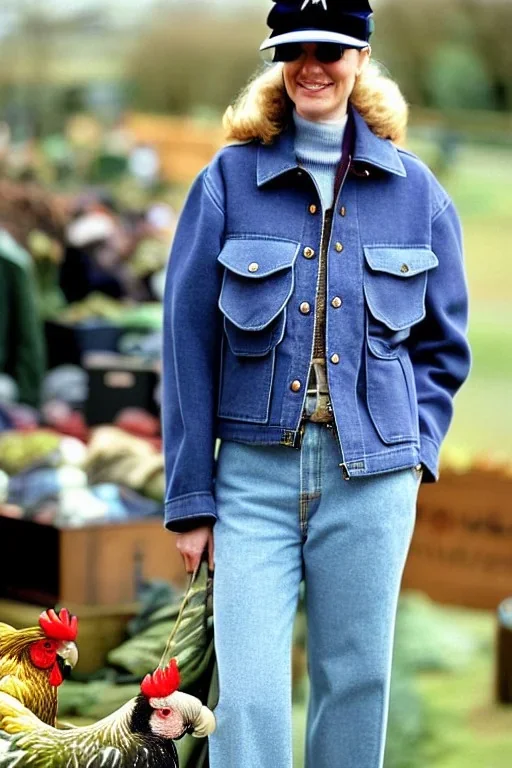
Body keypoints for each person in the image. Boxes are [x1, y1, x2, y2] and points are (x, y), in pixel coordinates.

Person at [161, 1, 471, 766]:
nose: (311, 65)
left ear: (361, 56)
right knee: (252, 697)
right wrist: (189, 497)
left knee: (356, 683)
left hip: (371, 482)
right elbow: (185, 345)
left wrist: (415, 451)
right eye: (293, 49)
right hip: (252, 484)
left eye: (329, 49)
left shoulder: (418, 192)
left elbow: (444, 347)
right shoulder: (227, 182)